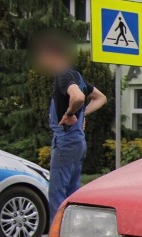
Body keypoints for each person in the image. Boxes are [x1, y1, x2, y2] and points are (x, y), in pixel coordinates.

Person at [33, 33, 107, 219]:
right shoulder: (77, 76)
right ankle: (71, 232)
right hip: (77, 141)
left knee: (57, 193)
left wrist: (70, 114)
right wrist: (83, 114)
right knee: (72, 192)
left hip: (66, 140)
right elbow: (101, 98)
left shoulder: (63, 76)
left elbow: (78, 97)